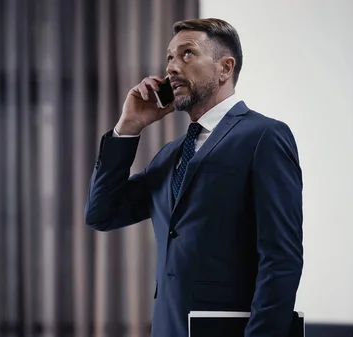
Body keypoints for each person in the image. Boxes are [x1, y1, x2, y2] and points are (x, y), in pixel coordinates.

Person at [84, 18, 303, 337]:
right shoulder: (170, 154)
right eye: (170, 57)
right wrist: (128, 127)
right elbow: (101, 213)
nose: (172, 67)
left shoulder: (265, 136)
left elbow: (281, 259)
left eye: (187, 54)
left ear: (225, 68)